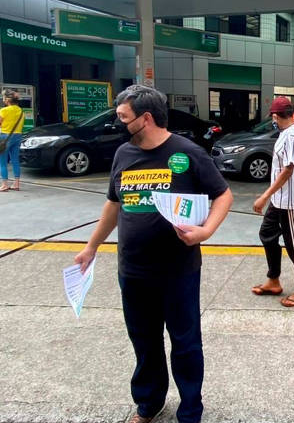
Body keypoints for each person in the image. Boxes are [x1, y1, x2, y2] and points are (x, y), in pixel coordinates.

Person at [73, 85, 233, 423]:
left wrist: (206, 232)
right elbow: (113, 204)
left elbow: (223, 196)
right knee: (144, 342)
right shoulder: (123, 155)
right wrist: (91, 247)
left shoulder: (188, 152)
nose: (118, 122)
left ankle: (190, 411)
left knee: (185, 343)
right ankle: (149, 402)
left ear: (145, 118)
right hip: (132, 270)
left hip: (178, 270)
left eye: (123, 117)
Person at [252, 96, 294, 307]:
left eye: (273, 118)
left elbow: (288, 169)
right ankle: (273, 280)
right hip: (279, 200)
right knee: (267, 234)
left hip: (289, 202)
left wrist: (264, 195)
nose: (273, 121)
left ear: (276, 116)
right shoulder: (287, 133)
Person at [0, 89, 24, 192]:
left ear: (7, 100)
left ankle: (4, 184)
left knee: (2, 161)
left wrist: (1, 124)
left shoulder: (4, 110)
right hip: (18, 136)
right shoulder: (21, 111)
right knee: (15, 160)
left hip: (5, 137)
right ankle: (16, 183)